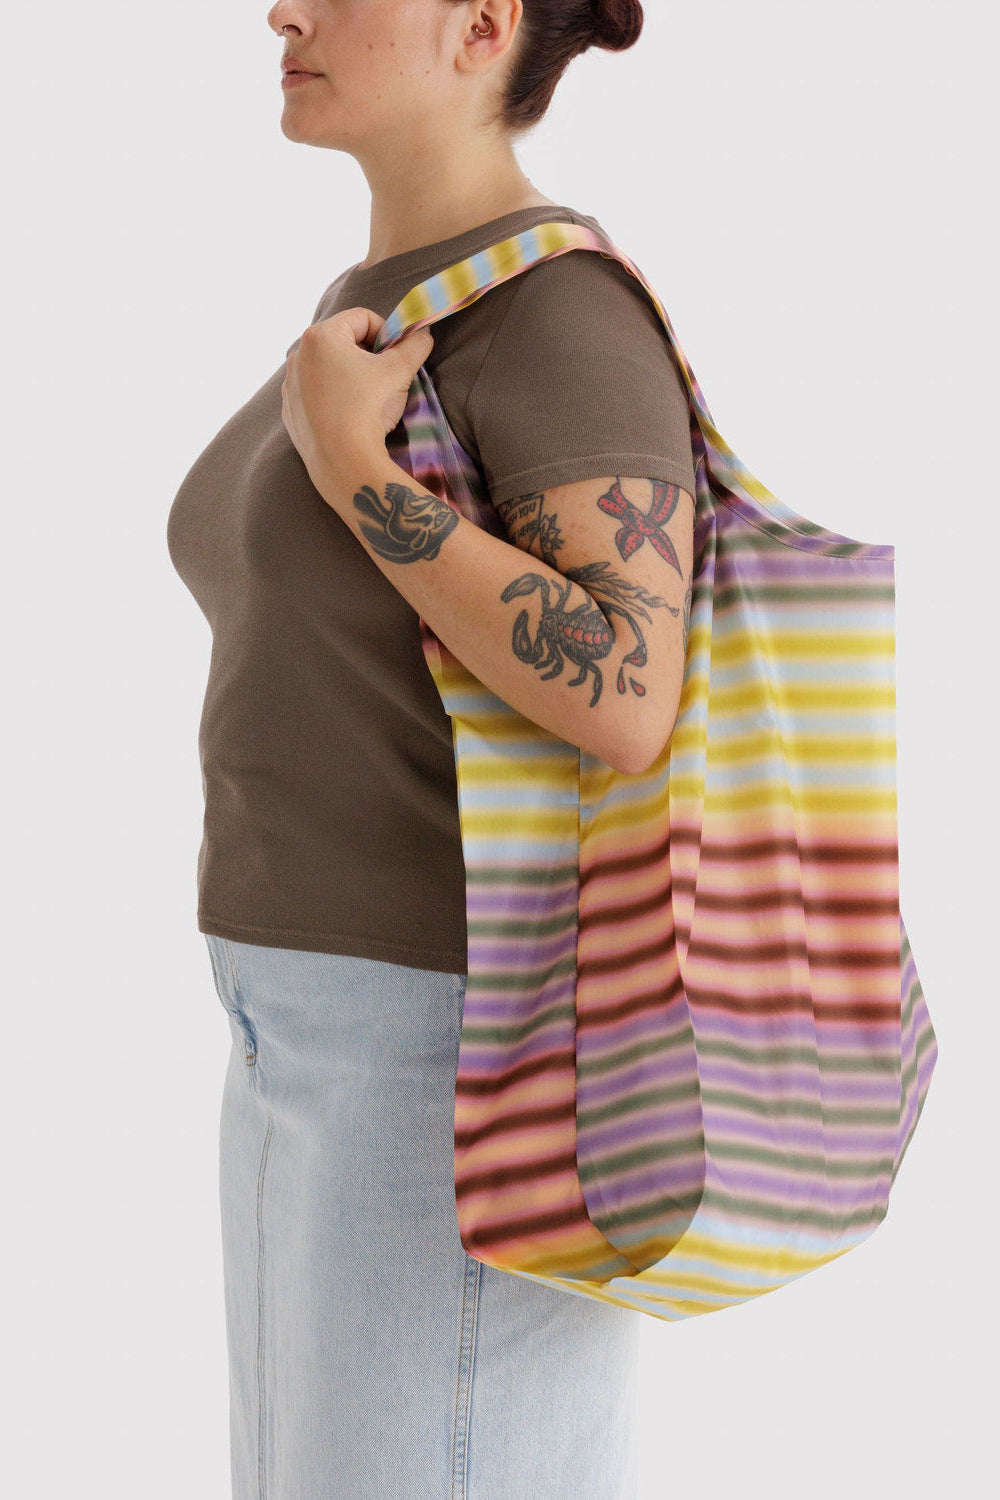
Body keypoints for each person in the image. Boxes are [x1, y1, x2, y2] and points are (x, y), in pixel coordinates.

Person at [166, 2, 696, 1495]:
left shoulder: (557, 313)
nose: (287, 9)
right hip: (310, 1025)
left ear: (482, 24)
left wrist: (352, 467)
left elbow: (628, 691)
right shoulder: (391, 305)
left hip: (453, 1051)